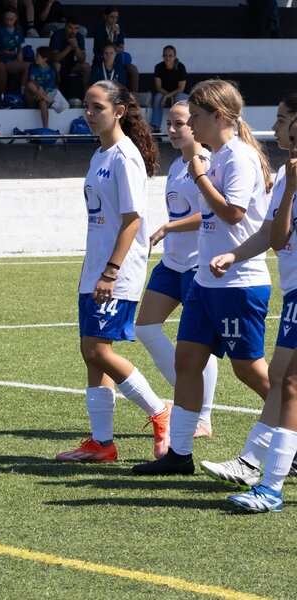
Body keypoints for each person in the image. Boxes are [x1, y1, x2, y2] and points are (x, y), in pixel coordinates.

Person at [132, 79, 273, 477]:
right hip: (206, 281)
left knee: (248, 369)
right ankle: (179, 454)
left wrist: (200, 178)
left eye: (195, 116)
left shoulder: (239, 157)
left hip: (238, 283)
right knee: (187, 361)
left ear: (219, 116)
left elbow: (234, 214)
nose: (189, 124)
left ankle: (289, 426)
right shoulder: (216, 156)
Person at [55, 80, 171, 464]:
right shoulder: (100, 154)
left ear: (119, 111)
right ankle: (102, 443)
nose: (89, 114)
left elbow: (133, 219)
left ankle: (160, 411)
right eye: (86, 106)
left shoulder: (125, 156)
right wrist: (93, 271)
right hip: (97, 269)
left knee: (97, 350)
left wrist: (110, 271)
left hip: (116, 271)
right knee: (91, 354)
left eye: (98, 107)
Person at [199, 95, 297, 496]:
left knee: (285, 380)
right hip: (293, 292)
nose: (274, 128)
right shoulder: (285, 174)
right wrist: (233, 254)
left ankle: (263, 475)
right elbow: (275, 236)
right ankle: (255, 465)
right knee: (280, 379)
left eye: (282, 120)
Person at [134, 101, 217, 439]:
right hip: (172, 263)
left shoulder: (206, 163)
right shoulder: (176, 165)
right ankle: (188, 393)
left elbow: (210, 212)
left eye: (179, 123)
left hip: (198, 264)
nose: (171, 130)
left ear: (195, 124)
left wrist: (167, 228)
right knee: (145, 328)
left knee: (198, 343)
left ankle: (202, 416)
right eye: (168, 123)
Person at [93, 6, 138, 93]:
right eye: (111, 17)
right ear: (105, 16)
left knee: (133, 68)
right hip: (102, 58)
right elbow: (104, 48)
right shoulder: (99, 30)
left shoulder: (119, 29)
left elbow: (121, 48)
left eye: (116, 17)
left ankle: (134, 95)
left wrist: (115, 49)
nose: (114, 20)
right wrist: (110, 34)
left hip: (116, 58)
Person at [0, 7, 29, 104]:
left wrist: (19, 57)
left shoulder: (19, 29)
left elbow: (20, 47)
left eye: (11, 19)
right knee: (2, 67)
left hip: (13, 60)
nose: (8, 22)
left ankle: (23, 93)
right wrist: (3, 52)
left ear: (16, 18)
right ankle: (2, 97)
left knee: (29, 66)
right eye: (6, 19)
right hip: (2, 60)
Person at [150, 45, 189, 134]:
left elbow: (181, 88)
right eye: (165, 55)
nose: (167, 58)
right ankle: (156, 127)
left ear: (174, 57)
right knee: (158, 97)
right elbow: (158, 87)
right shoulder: (159, 67)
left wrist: (167, 96)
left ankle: (180, 125)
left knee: (179, 97)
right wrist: (168, 96)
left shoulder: (180, 67)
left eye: (170, 56)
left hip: (181, 95)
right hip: (165, 96)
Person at [25, 47, 67, 129]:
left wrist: (42, 95)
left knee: (43, 101)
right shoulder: (33, 66)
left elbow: (49, 89)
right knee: (30, 84)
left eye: (37, 56)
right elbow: (31, 80)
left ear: (45, 59)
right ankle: (51, 102)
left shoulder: (52, 71)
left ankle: (45, 128)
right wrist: (39, 87)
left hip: (44, 96)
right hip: (33, 97)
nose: (35, 57)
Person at [49, 17, 91, 99]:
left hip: (71, 64)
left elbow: (83, 59)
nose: (73, 31)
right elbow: (56, 58)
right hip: (57, 63)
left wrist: (76, 47)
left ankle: (87, 95)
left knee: (86, 66)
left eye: (76, 28)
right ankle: (55, 94)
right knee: (57, 65)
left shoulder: (79, 37)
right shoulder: (57, 36)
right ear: (65, 26)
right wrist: (69, 47)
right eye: (70, 27)